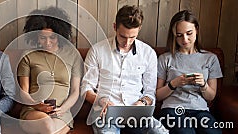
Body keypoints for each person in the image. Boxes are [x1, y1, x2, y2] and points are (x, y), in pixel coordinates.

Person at [81, 5, 168, 134]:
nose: (127, 43)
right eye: (123, 36)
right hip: (106, 114)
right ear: (115, 27)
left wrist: (142, 102)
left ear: (139, 29)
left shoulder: (148, 53)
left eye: (132, 37)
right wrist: (100, 100)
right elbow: (86, 88)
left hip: (137, 113)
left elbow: (150, 93)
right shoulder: (97, 51)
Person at [16, 7, 83, 134]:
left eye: (52, 37)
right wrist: (37, 105)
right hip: (33, 111)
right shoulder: (28, 55)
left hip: (61, 113)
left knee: (51, 130)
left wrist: (63, 108)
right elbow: (23, 92)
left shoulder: (73, 55)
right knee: (48, 127)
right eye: (42, 38)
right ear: (36, 36)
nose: (47, 42)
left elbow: (75, 91)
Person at [156, 10, 223, 134]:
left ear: (196, 29)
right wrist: (174, 84)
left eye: (189, 33)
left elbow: (211, 96)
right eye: (179, 35)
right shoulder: (165, 58)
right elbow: (158, 95)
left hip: (200, 110)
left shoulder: (210, 58)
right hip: (172, 109)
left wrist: (203, 84)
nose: (185, 39)